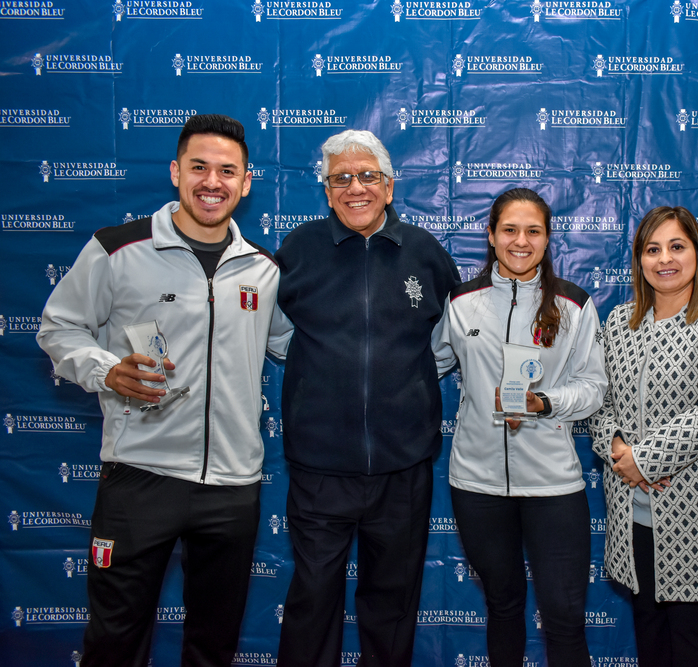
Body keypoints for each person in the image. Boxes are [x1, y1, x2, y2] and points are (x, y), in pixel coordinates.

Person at [36, 114, 293, 667]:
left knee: (213, 644)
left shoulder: (264, 270)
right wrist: (105, 369)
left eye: (228, 171)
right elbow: (58, 328)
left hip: (232, 484)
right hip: (139, 477)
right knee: (115, 640)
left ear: (247, 183)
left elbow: (298, 348)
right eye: (199, 167)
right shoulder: (116, 249)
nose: (212, 182)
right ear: (176, 172)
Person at [274, 129, 460, 667]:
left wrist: (401, 384)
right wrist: (323, 379)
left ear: (390, 185)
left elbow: (443, 346)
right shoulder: (298, 249)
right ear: (327, 191)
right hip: (318, 469)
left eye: (368, 176)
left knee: (393, 605)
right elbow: (275, 336)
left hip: (403, 468)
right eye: (342, 178)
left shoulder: (424, 251)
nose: (356, 187)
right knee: (312, 601)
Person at [433, 188, 607, 667]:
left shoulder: (573, 305)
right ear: (491, 236)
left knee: (565, 618)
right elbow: (429, 363)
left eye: (533, 231)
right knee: (503, 607)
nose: (520, 241)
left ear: (548, 239)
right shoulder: (462, 302)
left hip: (553, 485)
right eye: (509, 230)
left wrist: (545, 401)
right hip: (477, 483)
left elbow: (593, 388)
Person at [589, 206, 698, 667]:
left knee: (692, 638)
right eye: (652, 249)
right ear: (640, 261)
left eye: (676, 246)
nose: (665, 258)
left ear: (697, 254)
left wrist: (646, 459)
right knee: (650, 630)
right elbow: (599, 406)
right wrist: (618, 449)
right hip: (631, 510)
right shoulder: (619, 323)